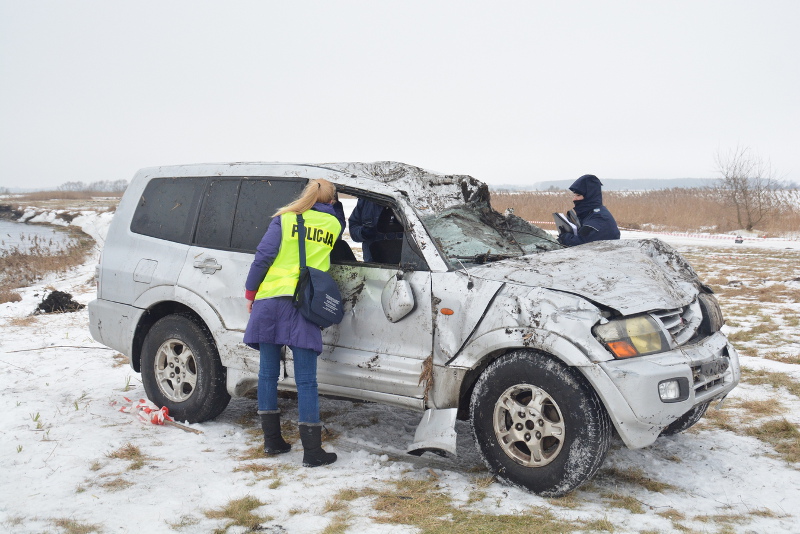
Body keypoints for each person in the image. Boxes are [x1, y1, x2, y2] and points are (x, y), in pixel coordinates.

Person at [243, 179, 345, 467]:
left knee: (267, 374)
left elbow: (263, 257)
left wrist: (251, 293)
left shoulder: (284, 219)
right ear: (331, 200)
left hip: (271, 298)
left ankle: (272, 441)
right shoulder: (333, 225)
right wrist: (333, 206)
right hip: (304, 303)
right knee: (306, 381)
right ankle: (312, 452)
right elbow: (336, 220)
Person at [557, 174, 620, 247]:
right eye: (574, 196)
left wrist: (564, 237)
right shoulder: (589, 214)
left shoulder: (600, 217)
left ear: (589, 196)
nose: (574, 199)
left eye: (578, 195)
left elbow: (582, 242)